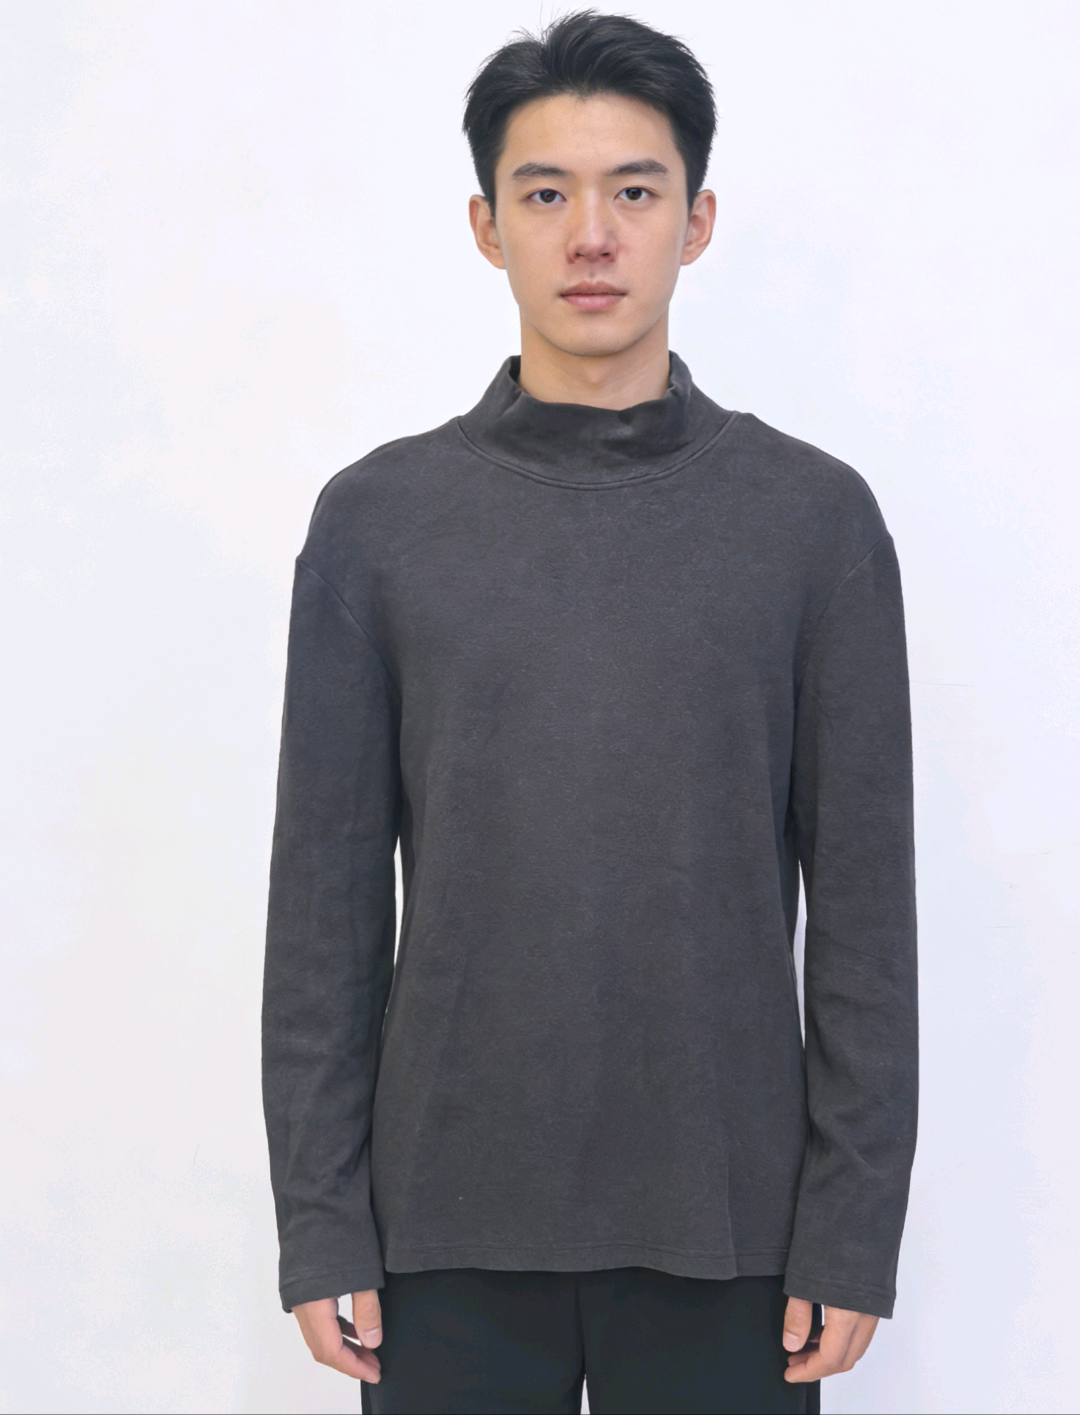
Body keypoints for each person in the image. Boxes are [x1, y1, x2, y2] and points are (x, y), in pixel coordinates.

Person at [261, 10, 919, 1413]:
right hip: (439, 1234)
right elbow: (324, 910)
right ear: (488, 228)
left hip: (733, 1234)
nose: (594, 236)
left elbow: (866, 913)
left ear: (698, 221)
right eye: (546, 194)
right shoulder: (379, 524)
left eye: (635, 190)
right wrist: (319, 1219)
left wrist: (852, 1229)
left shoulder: (812, 524)